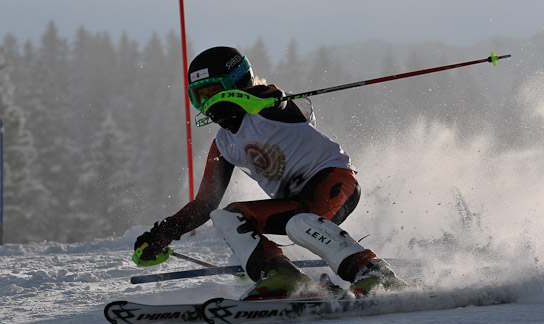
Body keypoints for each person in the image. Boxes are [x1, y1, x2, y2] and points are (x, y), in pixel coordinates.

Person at [134, 46, 406, 300]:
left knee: (301, 223)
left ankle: (373, 272)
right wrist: (164, 233)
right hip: (295, 204)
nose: (207, 105)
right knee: (226, 217)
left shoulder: (272, 107)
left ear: (237, 83)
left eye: (212, 92)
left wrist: (266, 99)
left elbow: (286, 107)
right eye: (199, 97)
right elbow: (205, 203)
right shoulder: (224, 144)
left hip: (335, 180)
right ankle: (280, 275)